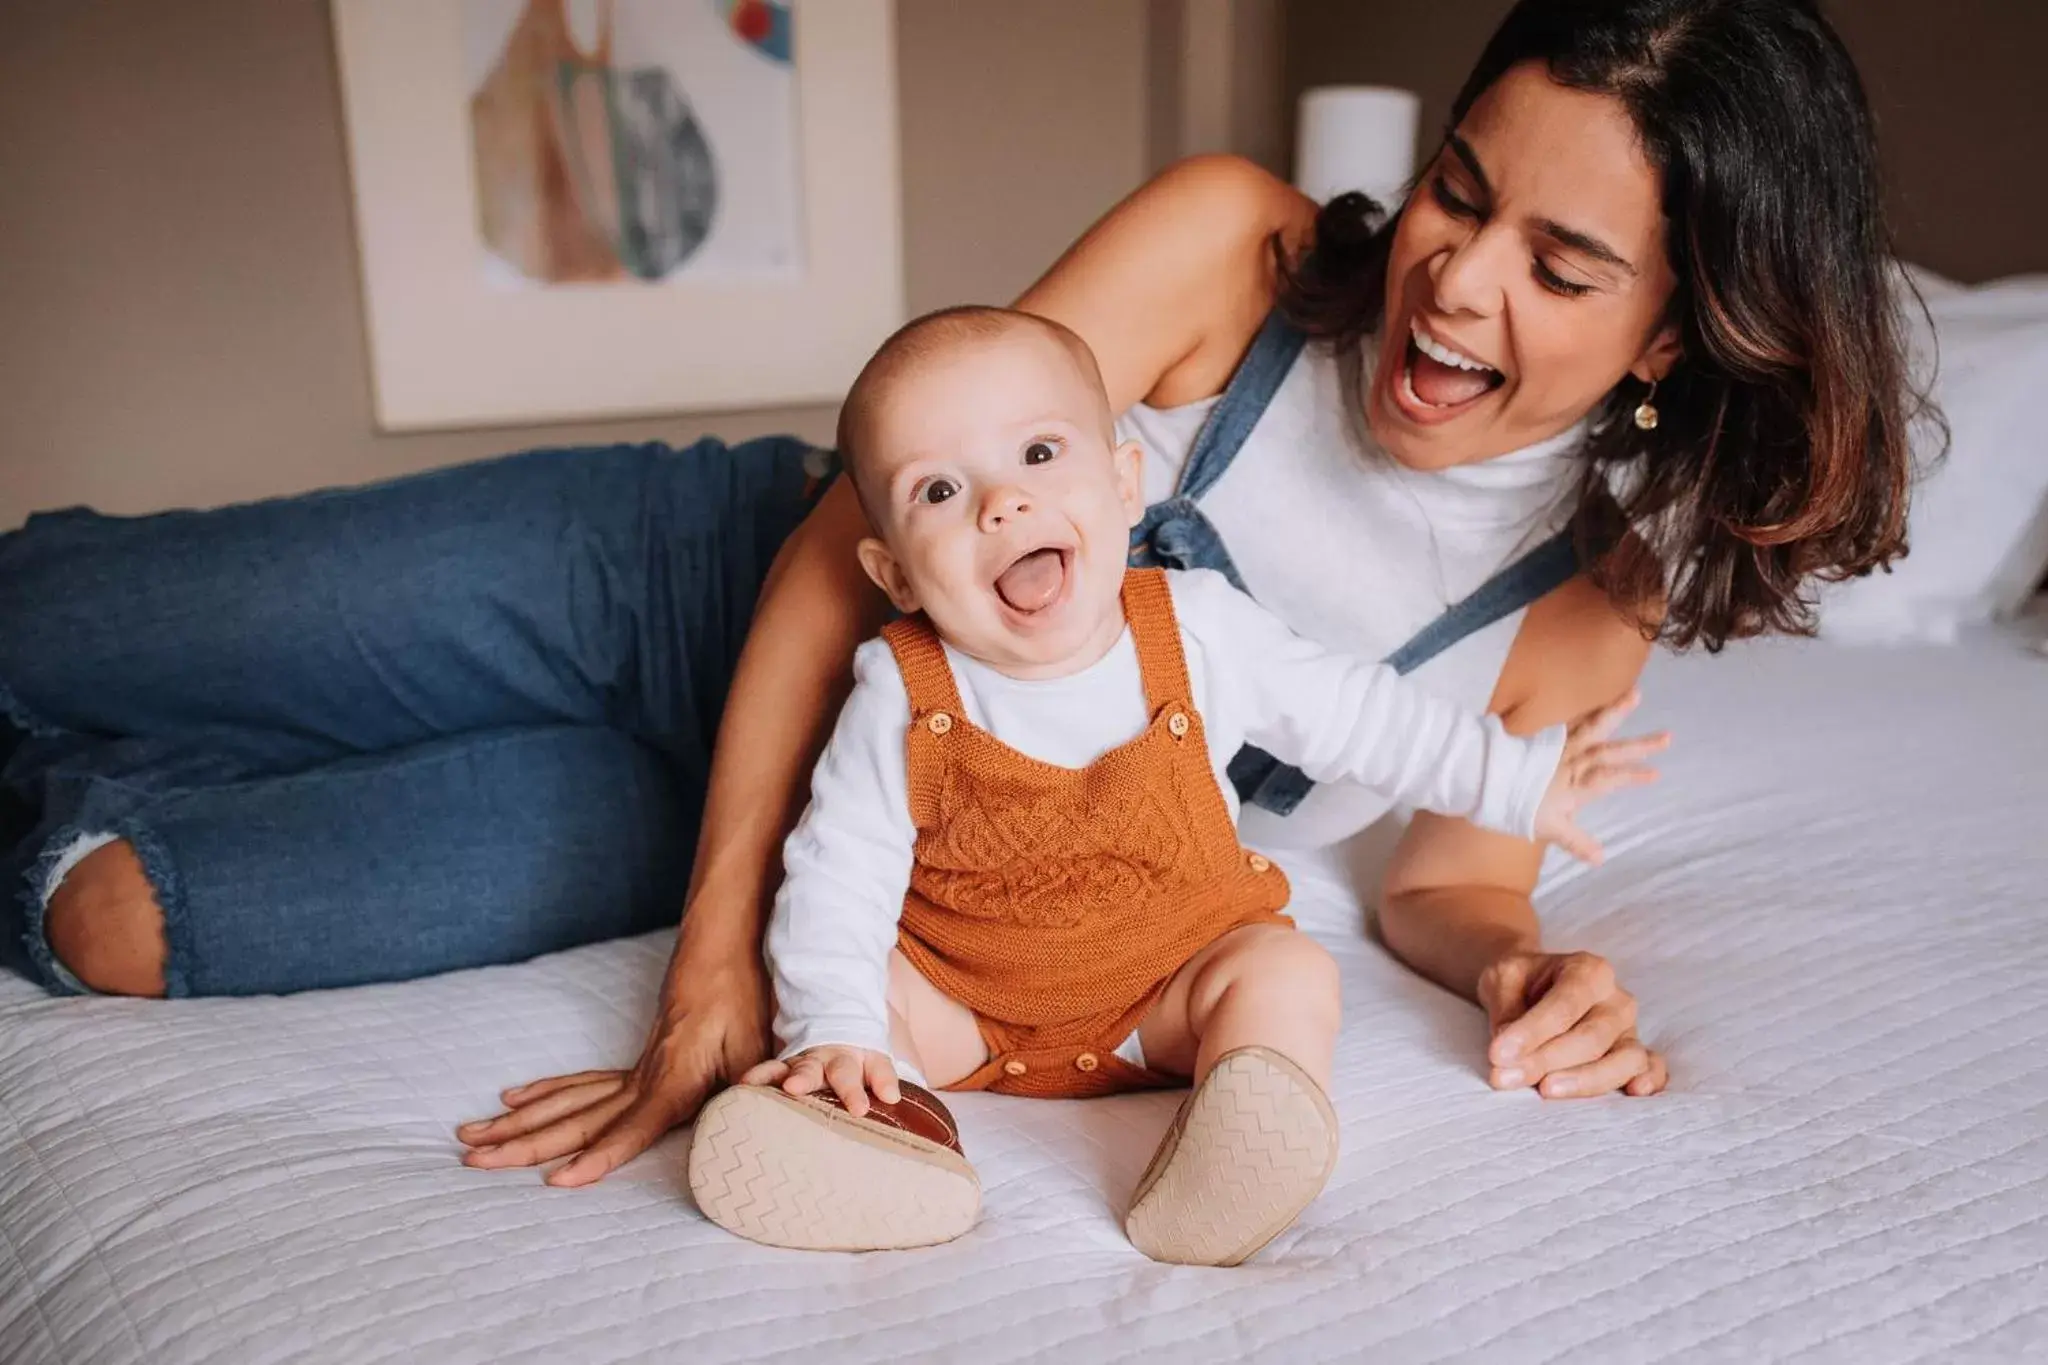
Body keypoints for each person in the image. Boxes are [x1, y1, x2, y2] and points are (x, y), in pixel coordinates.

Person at [1, 0, 1917, 1191]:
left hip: (834, 835)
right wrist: (712, 968)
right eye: (1456, 187)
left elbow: (1435, 868)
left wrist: (1514, 964)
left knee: (126, 920)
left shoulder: (1585, 589)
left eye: (1560, 266)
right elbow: (846, 549)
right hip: (698, 590)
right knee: (55, 627)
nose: (1452, 281)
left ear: (1685, 330)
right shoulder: (1232, 248)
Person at [682, 305, 1664, 1264]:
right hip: (964, 1011)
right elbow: (835, 877)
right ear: (892, 572)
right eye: (938, 492)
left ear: (1122, 484)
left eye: (1036, 455)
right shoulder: (898, 688)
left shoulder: (1198, 629)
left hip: (1165, 1006)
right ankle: (887, 1134)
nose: (1000, 504)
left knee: (1285, 972)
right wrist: (839, 1032)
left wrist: (1514, 778)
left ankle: (1241, 1130)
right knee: (861, 992)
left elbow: (1360, 716)